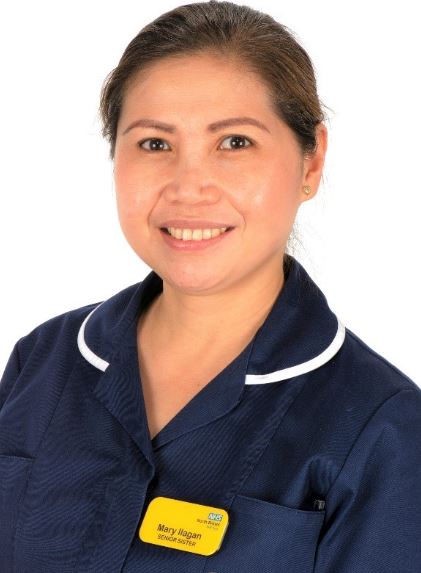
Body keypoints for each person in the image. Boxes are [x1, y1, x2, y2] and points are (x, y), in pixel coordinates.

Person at [1, 1, 420, 571]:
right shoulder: (42, 361)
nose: (188, 188)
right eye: (154, 144)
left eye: (235, 143)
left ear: (311, 162)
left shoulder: (383, 428)